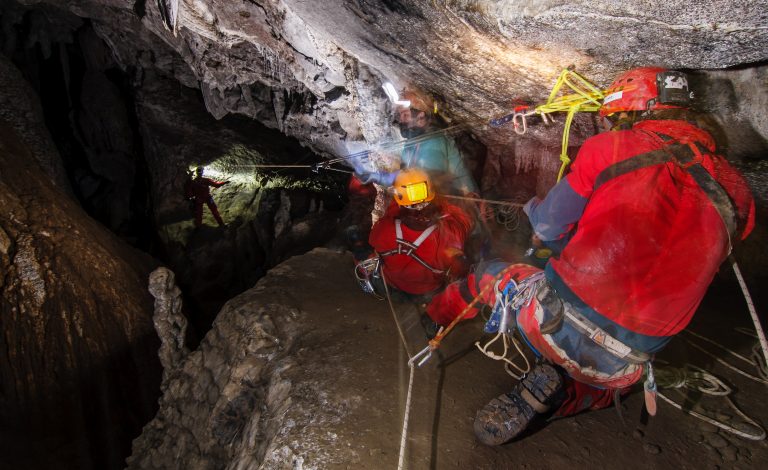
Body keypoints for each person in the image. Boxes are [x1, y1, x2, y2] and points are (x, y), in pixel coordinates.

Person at [425, 67, 756, 445]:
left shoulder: (611, 149)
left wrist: (534, 208)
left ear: (632, 112)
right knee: (614, 384)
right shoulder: (739, 193)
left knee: (492, 273)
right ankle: (565, 395)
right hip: (628, 357)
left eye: (618, 119)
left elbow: (549, 229)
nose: (616, 126)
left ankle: (434, 318)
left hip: (554, 321)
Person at [352, 168, 474, 304]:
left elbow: (388, 215)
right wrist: (443, 202)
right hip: (429, 293)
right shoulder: (447, 236)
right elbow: (465, 222)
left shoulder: (385, 231)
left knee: (362, 252)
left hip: (392, 289)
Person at [355, 88, 479, 197]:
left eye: (405, 115)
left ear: (420, 117)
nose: (401, 120)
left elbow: (431, 184)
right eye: (400, 115)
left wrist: (383, 178)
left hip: (459, 205)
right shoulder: (414, 142)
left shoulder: (432, 141)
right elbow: (407, 170)